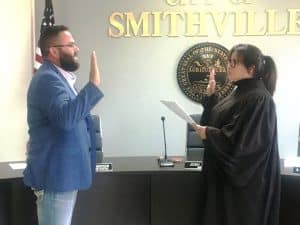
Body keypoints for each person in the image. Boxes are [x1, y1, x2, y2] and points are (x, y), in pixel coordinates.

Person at [23, 25, 104, 225]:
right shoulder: (48, 80)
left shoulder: (59, 78)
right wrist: (93, 85)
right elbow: (67, 119)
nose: (76, 49)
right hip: (56, 176)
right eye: (71, 45)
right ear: (53, 50)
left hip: (63, 174)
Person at [192, 44, 281, 225]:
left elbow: (245, 147)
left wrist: (209, 134)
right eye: (228, 62)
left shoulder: (259, 99)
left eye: (234, 63)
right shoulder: (240, 92)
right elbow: (220, 123)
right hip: (223, 182)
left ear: (251, 68)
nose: (228, 67)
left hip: (243, 190)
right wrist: (211, 98)